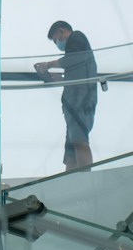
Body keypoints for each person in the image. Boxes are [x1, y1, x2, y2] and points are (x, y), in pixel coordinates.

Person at [34, 19, 98, 171]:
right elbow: (77, 72)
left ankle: (85, 180)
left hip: (80, 101)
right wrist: (61, 78)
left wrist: (48, 64)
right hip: (74, 102)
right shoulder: (78, 52)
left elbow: (72, 60)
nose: (57, 43)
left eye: (56, 39)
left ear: (61, 31)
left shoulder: (76, 37)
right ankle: (70, 182)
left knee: (80, 141)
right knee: (70, 150)